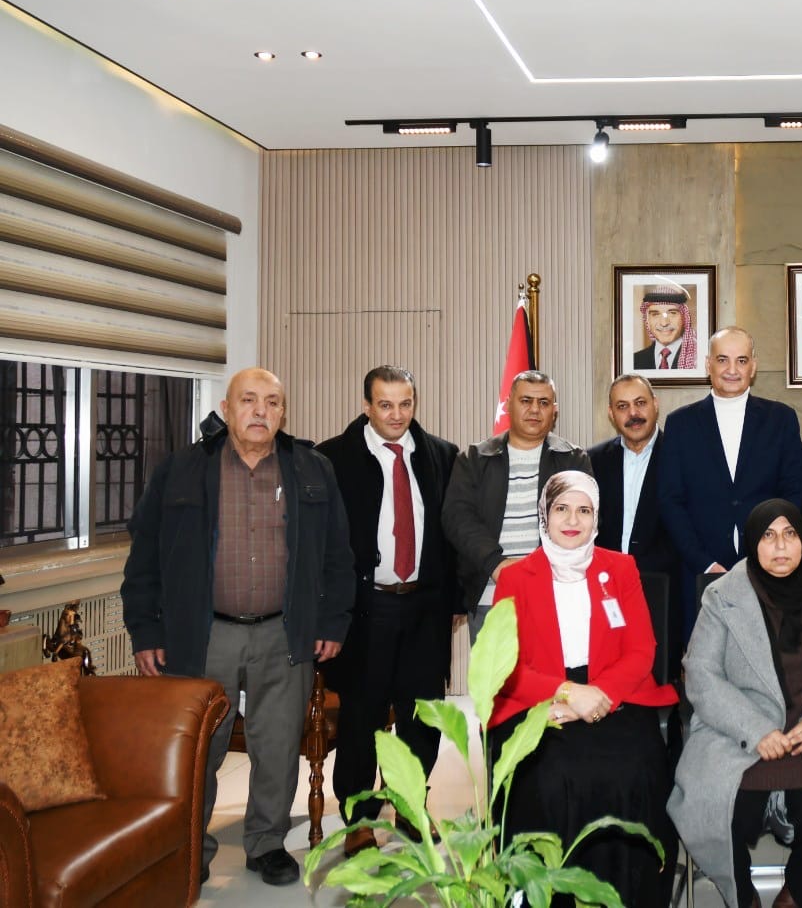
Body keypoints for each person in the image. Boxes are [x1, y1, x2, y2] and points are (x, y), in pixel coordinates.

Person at [122, 367, 354, 887]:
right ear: (226, 409)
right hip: (203, 635)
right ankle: (192, 845)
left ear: (283, 412)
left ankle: (267, 843)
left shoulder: (312, 469)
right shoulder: (182, 469)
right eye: (248, 400)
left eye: (272, 401)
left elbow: (338, 554)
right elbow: (145, 557)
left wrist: (332, 621)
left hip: (284, 632)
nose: (260, 411)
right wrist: (146, 631)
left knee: (278, 745)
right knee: (198, 748)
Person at [669, 501, 802, 908]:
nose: (780, 546)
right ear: (753, 543)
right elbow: (701, 674)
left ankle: (797, 895)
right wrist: (755, 729)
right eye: (768, 536)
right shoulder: (722, 594)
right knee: (717, 805)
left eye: (790, 534)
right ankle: (744, 897)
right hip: (738, 732)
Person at [487, 470, 679, 907]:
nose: (573, 520)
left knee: (636, 771)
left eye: (584, 510)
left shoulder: (621, 568)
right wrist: (567, 693)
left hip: (616, 694)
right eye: (561, 509)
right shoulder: (516, 578)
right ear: (544, 514)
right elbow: (506, 664)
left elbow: (641, 650)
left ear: (597, 518)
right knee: (550, 778)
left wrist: (596, 696)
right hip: (540, 699)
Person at [316, 365, 459, 856]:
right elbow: (321, 545)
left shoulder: (442, 456)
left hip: (424, 608)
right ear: (366, 406)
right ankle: (358, 818)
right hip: (366, 608)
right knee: (362, 716)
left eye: (405, 404)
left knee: (421, 718)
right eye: (385, 405)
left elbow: (451, 534)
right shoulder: (332, 459)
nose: (397, 415)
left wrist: (453, 602)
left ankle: (411, 806)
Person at [656, 327, 802, 630]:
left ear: (754, 366)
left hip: (768, 567)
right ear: (708, 364)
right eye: (723, 360)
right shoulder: (680, 424)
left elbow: (794, 492)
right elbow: (671, 500)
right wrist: (704, 563)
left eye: (741, 360)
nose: (732, 370)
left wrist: (769, 552)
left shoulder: (781, 419)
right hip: (701, 569)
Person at [443, 369, 590, 637]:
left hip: (555, 596)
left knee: (556, 668)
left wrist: (541, 572)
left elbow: (585, 522)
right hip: (492, 598)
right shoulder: (475, 458)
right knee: (495, 668)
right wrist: (496, 564)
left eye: (543, 402)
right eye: (526, 400)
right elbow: (458, 518)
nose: (534, 409)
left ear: (554, 410)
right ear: (508, 404)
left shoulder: (573, 459)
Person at [589, 373, 679, 666]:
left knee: (658, 674)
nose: (633, 413)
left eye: (640, 403)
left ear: (655, 404)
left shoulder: (681, 455)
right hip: (605, 589)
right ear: (611, 413)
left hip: (663, 588)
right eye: (623, 406)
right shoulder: (592, 461)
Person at [633, 286, 698, 371]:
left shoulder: (698, 359)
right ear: (647, 320)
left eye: (672, 313)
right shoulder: (634, 361)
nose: (664, 323)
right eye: (655, 314)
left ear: (684, 317)